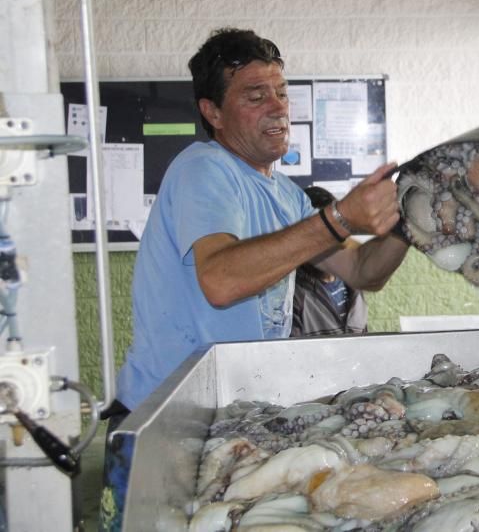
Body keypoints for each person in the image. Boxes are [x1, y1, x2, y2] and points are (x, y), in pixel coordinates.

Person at [106, 28, 408, 427]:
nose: (278, 108)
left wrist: (411, 218)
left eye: (282, 93)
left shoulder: (287, 195)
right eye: (256, 97)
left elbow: (363, 271)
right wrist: (339, 218)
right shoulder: (203, 169)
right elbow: (221, 280)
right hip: (165, 420)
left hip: (235, 417)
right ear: (213, 113)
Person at [291, 186, 368, 336]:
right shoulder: (294, 294)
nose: (328, 240)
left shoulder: (354, 283)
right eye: (318, 233)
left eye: (334, 229)